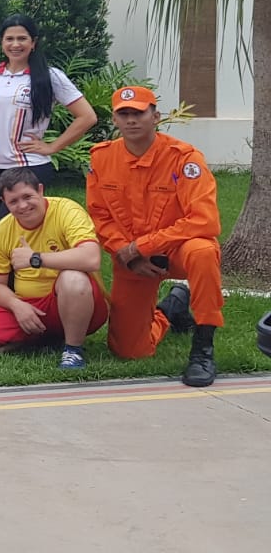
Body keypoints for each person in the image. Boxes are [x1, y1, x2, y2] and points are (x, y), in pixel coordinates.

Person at [86, 85, 223, 386]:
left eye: (138, 113)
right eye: (124, 114)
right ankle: (170, 310)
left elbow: (205, 220)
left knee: (203, 251)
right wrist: (127, 253)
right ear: (115, 119)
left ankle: (203, 348)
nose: (131, 120)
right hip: (132, 259)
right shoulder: (102, 158)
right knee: (129, 350)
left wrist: (142, 246)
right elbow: (99, 216)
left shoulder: (183, 158)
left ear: (156, 117)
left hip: (177, 250)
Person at [0, 14, 97, 220]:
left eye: (22, 38)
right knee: (4, 229)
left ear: (33, 42)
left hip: (27, 166)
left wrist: (52, 147)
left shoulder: (50, 76)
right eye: (9, 39)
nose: (15, 44)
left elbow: (87, 116)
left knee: (18, 225)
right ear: (2, 42)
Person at [0, 169, 108, 369]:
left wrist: (35, 259)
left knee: (73, 278)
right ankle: (39, 338)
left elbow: (91, 258)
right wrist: (16, 305)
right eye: (13, 201)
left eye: (27, 197)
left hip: (73, 299)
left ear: (40, 190)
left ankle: (73, 350)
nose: (23, 206)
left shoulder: (66, 210)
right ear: (4, 202)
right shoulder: (1, 231)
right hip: (29, 303)